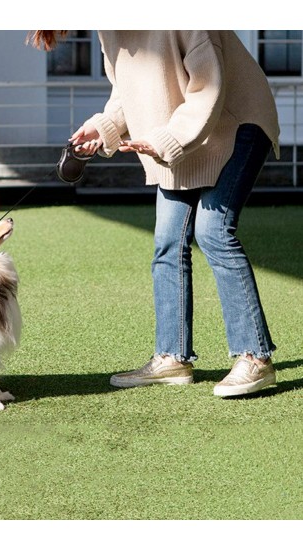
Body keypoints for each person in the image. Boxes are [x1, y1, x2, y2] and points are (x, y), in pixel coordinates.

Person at [29, 31, 279, 397]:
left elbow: (211, 87)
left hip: (237, 119)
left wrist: (168, 139)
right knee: (167, 240)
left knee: (213, 231)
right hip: (182, 131)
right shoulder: (108, 27)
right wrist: (105, 126)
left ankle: (256, 358)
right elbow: (128, 90)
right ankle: (172, 358)